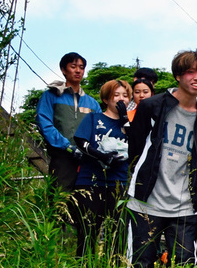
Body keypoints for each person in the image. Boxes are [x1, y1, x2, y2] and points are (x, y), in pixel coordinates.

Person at [125, 50, 197, 268]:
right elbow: (135, 150)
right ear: (178, 75)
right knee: (140, 265)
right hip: (147, 200)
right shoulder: (152, 107)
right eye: (191, 72)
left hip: (185, 204)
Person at [69, 80, 131, 256]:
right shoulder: (93, 118)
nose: (121, 99)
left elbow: (137, 146)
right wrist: (101, 156)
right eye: (116, 95)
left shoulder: (129, 124)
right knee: (88, 230)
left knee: (117, 230)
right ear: (106, 98)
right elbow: (81, 141)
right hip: (90, 181)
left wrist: (125, 119)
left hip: (118, 181)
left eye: (125, 96)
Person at [35, 52, 102, 192]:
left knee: (86, 201)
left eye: (81, 67)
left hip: (88, 159)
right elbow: (44, 124)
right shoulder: (51, 96)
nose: (78, 70)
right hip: (62, 158)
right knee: (60, 200)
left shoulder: (92, 103)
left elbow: (99, 129)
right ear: (64, 70)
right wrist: (67, 147)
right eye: (73, 66)